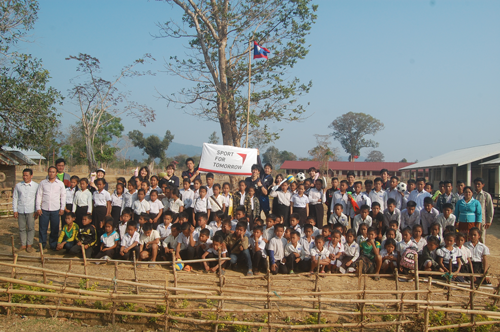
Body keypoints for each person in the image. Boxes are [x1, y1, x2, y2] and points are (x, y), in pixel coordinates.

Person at [36, 166, 66, 250]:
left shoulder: (60, 184)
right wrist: (38, 208)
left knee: (55, 228)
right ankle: (42, 244)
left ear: (56, 173)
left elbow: (63, 196)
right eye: (50, 172)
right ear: (47, 172)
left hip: (55, 209)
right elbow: (39, 195)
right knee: (42, 228)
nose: (51, 173)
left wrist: (62, 208)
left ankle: (53, 245)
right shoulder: (43, 183)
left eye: (53, 172)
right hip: (44, 209)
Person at [12, 168, 38, 253]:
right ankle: (23, 244)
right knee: (22, 228)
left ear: (31, 176)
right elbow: (15, 198)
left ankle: (29, 245)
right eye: (23, 175)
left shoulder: (36, 186)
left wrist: (37, 210)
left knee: (31, 228)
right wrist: (15, 210)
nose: (25, 177)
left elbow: (38, 199)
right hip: (21, 210)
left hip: (31, 210)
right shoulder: (18, 185)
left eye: (27, 175)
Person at [473, 177, 494, 243]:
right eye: (476, 184)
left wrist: (489, 221)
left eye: (479, 184)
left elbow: (490, 208)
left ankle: (482, 252)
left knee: (481, 237)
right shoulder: (471, 194)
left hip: (482, 220)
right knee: (472, 236)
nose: (477, 185)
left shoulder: (486, 195)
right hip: (472, 219)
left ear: (483, 185)